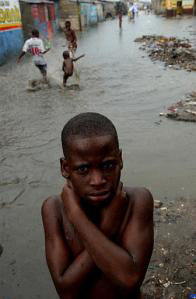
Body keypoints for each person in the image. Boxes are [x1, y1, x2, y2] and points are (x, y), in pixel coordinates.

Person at [41, 112, 154, 299]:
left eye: (108, 165)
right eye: (83, 169)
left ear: (120, 159)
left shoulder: (137, 200)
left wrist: (76, 216)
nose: (98, 180)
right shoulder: (54, 209)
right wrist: (107, 229)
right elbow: (65, 291)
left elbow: (129, 279)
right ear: (65, 168)